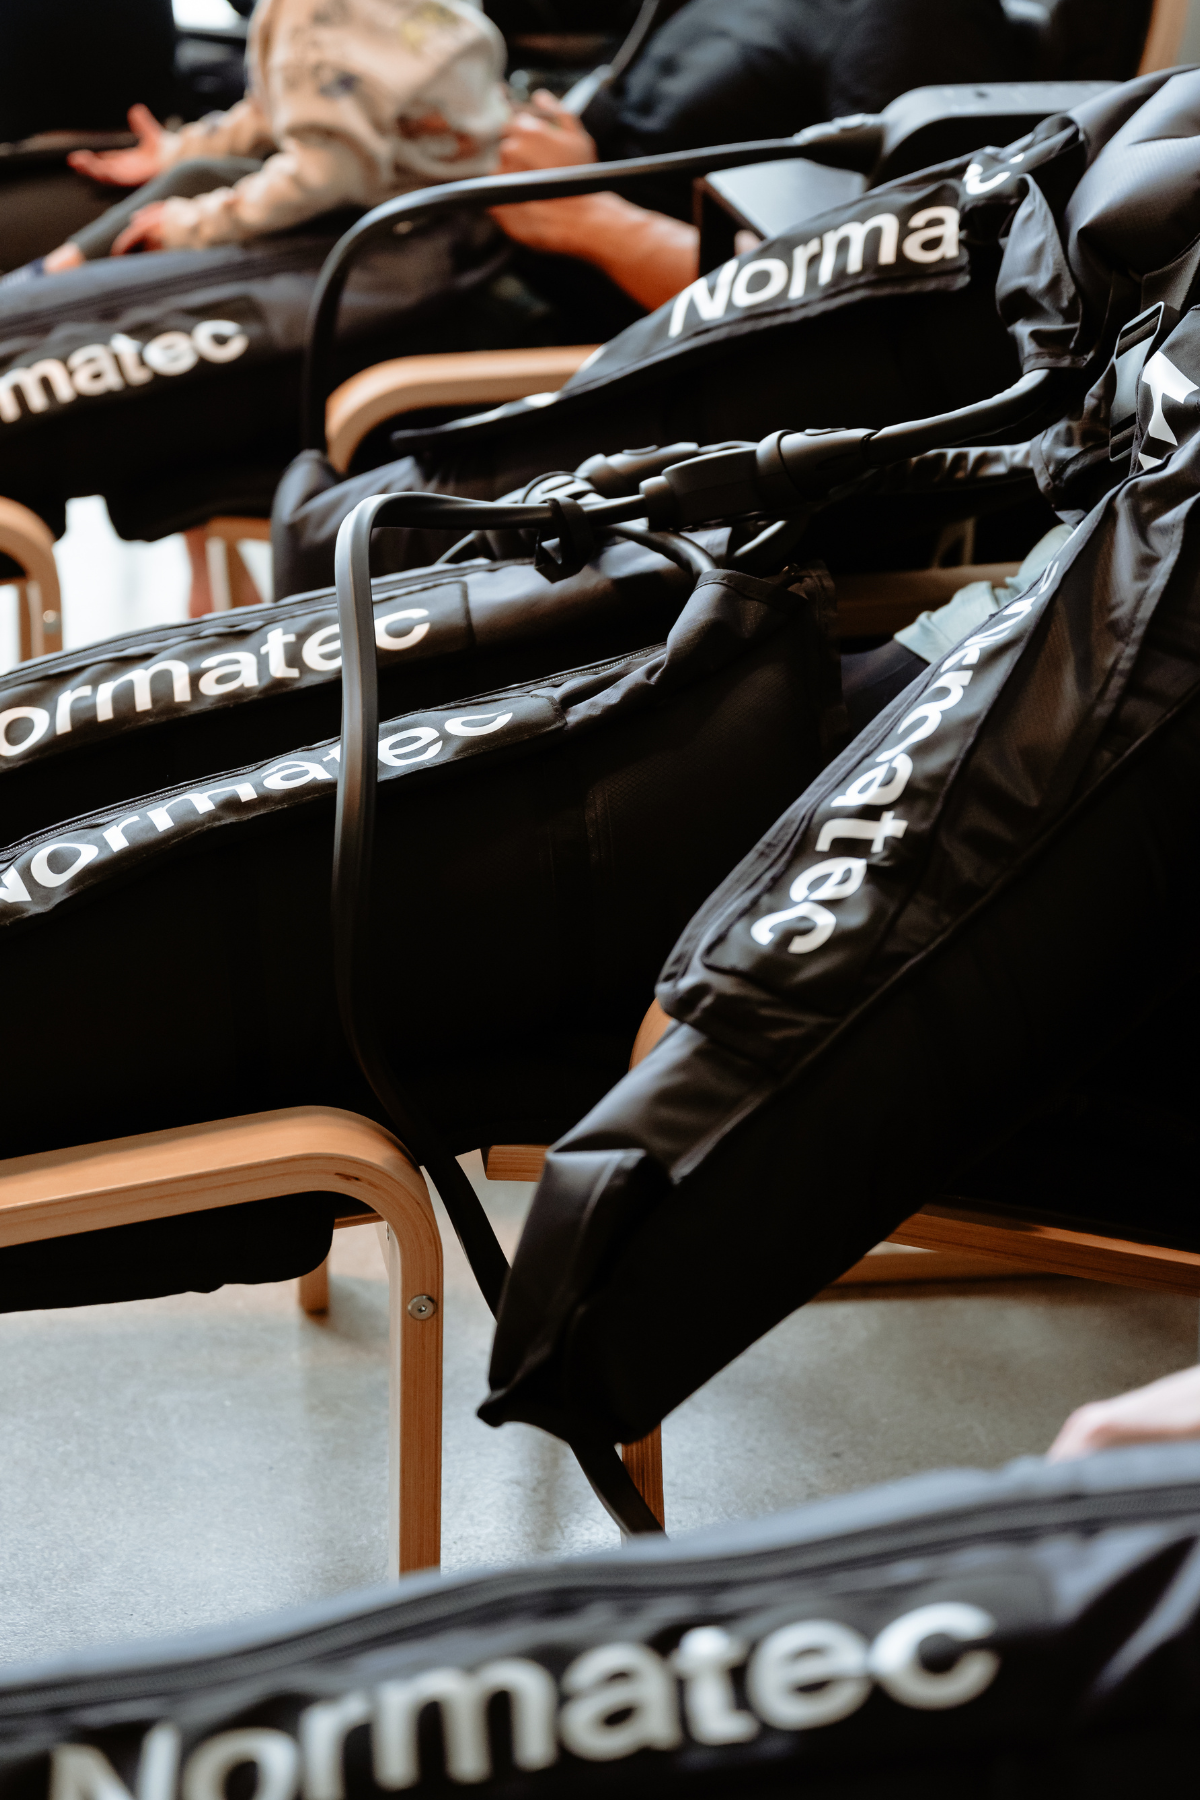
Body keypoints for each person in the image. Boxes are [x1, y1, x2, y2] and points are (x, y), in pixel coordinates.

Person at [19, 0, 510, 280]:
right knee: (193, 170)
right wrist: (175, 149)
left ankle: (34, 288)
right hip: (445, 185)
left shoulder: (313, 15)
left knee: (195, 185)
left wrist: (188, 227)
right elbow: (275, 108)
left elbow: (326, 174)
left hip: (415, 222)